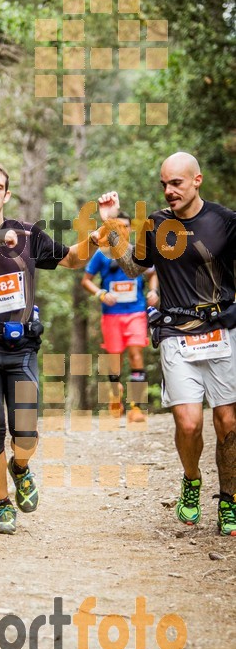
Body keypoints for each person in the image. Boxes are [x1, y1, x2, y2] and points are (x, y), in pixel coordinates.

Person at [0, 160, 119, 535]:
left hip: (21, 351)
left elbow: (71, 258)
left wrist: (101, 233)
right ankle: (3, 506)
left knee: (27, 434)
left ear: (7, 194)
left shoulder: (30, 234)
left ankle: (20, 468)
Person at [98, 152, 236, 535]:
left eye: (176, 182)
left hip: (222, 330)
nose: (169, 190)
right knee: (188, 423)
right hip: (176, 332)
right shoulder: (157, 224)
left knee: (227, 423)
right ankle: (191, 481)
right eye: (164, 184)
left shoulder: (225, 222)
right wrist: (112, 225)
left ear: (197, 180)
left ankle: (229, 500)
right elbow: (133, 267)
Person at [81, 211, 159, 422]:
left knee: (136, 355)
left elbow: (152, 275)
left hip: (135, 312)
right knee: (114, 360)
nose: (122, 230)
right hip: (112, 315)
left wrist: (153, 292)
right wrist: (101, 294)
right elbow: (86, 280)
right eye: (117, 227)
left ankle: (137, 407)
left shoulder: (138, 251)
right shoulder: (102, 254)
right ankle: (115, 400)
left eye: (125, 226)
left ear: (130, 229)